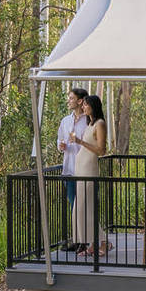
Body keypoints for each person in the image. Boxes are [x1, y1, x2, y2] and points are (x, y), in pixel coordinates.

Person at [71, 94, 110, 258]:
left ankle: (102, 242)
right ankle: (95, 243)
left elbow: (101, 151)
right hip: (80, 170)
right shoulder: (89, 124)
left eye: (86, 105)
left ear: (93, 106)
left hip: (89, 171)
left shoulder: (99, 124)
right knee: (80, 209)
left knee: (86, 208)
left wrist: (80, 142)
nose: (84, 107)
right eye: (83, 105)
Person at [57, 87, 88, 251]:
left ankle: (85, 241)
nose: (68, 101)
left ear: (80, 101)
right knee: (72, 205)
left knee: (83, 206)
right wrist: (61, 145)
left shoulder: (89, 121)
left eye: (71, 98)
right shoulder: (65, 121)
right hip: (69, 169)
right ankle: (76, 240)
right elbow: (60, 140)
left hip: (84, 170)